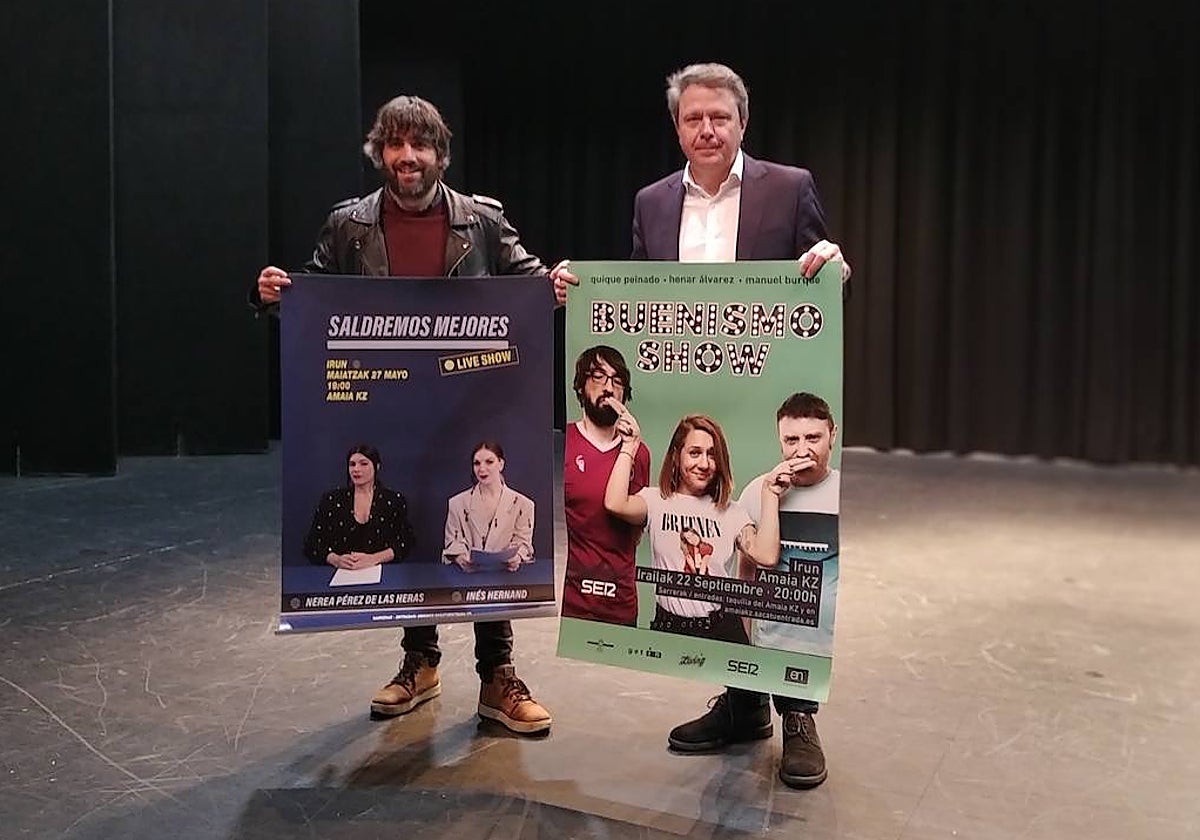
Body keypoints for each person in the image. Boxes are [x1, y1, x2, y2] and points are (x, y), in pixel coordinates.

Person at [253, 95, 571, 735]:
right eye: (395, 145)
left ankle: (498, 676)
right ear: (380, 154)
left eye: (420, 145)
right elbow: (312, 297)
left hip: (474, 403)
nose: (408, 157)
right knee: (417, 521)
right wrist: (274, 296)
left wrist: (555, 286)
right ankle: (420, 663)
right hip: (391, 408)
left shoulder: (481, 222)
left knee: (485, 535)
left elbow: (533, 286)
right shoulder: (350, 226)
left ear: (440, 155)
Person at [627, 62, 853, 788]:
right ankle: (744, 701)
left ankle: (797, 712)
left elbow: (824, 288)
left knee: (788, 557)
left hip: (771, 403)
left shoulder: (789, 188)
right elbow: (633, 301)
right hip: (695, 406)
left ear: (742, 122)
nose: (707, 129)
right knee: (719, 551)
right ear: (677, 127)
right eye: (693, 118)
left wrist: (834, 266)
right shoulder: (652, 203)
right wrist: (581, 290)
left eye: (719, 117)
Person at [603, 408, 788, 642]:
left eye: (712, 455)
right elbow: (615, 503)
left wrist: (770, 493)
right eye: (694, 453)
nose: (704, 463)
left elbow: (767, 556)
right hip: (669, 627)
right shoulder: (655, 501)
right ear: (676, 456)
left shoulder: (732, 512)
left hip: (721, 629)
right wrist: (629, 446)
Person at [734, 392, 841, 787]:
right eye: (791, 440)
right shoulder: (757, 490)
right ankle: (744, 705)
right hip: (769, 628)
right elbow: (746, 567)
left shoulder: (843, 495)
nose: (802, 450)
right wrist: (741, 632)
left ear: (832, 436)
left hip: (814, 638)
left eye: (813, 438)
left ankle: (799, 717)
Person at [561, 346, 651, 626]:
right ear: (581, 386)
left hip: (620, 604)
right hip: (571, 603)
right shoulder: (562, 444)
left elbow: (636, 531)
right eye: (598, 377)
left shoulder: (639, 453)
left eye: (617, 381)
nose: (608, 388)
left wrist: (629, 447)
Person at [303, 444, 415, 570]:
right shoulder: (332, 500)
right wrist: (335, 559)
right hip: (341, 572)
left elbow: (405, 541)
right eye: (352, 464)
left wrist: (375, 558)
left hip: (383, 572)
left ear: (377, 466)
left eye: (363, 464)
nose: (356, 469)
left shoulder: (393, 500)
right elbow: (312, 543)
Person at [443, 441, 534, 573]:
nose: (482, 469)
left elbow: (524, 543)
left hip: (507, 578)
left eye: (489, 462)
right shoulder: (456, 504)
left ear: (501, 464)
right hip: (469, 578)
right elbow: (452, 542)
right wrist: (460, 557)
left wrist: (517, 557)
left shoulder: (524, 505)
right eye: (477, 463)